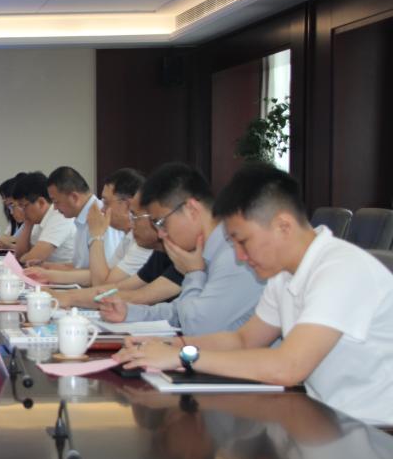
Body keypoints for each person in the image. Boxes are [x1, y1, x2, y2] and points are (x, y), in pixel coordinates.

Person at [117, 164, 393, 425]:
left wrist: (183, 356)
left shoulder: (340, 269)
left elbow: (288, 367)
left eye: (243, 241)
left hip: (374, 431)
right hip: (325, 422)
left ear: (283, 226)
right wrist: (168, 344)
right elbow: (243, 339)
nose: (239, 256)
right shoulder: (284, 274)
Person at [98, 162, 263, 336]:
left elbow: (196, 327)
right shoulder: (206, 251)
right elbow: (180, 312)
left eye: (161, 222)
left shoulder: (234, 256)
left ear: (191, 210)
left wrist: (193, 274)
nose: (160, 234)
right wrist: (129, 313)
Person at [52, 192, 183, 309]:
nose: (131, 224)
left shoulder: (180, 253)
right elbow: (116, 288)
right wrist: (64, 294)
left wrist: (96, 236)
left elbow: (140, 296)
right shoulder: (159, 252)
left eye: (135, 216)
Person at [26, 168, 151, 286]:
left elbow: (102, 282)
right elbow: (91, 271)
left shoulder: (103, 220)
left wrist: (97, 236)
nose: (102, 209)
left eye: (106, 202)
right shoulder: (126, 235)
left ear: (128, 205)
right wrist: (47, 271)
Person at [46, 166, 125, 270]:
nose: (55, 208)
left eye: (56, 202)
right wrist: (45, 267)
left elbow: (105, 271)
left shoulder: (102, 216)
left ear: (74, 197)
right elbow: (80, 266)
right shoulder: (81, 217)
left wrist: (49, 274)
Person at [9, 171, 75, 265]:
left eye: (24, 206)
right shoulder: (36, 220)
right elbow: (19, 255)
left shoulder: (60, 216)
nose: (22, 212)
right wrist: (28, 223)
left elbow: (32, 258)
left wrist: (23, 258)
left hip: (66, 273)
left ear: (41, 203)